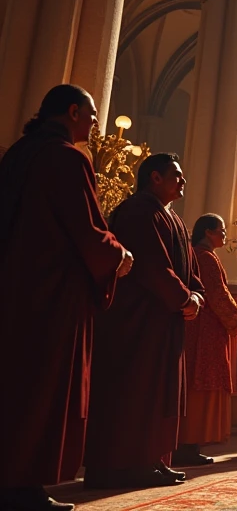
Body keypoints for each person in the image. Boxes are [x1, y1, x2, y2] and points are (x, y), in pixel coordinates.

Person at [0, 85, 132, 511]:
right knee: (43, 389)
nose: (96, 124)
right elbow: (88, 231)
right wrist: (120, 255)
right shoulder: (68, 157)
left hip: (15, 286)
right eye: (92, 115)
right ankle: (25, 488)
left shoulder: (17, 153)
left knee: (14, 385)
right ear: (72, 112)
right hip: (52, 295)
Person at [85, 153, 204, 489]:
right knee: (135, 390)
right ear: (154, 177)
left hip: (167, 318)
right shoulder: (138, 211)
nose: (183, 182)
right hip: (138, 321)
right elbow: (151, 266)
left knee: (161, 393)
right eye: (177, 175)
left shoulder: (176, 220)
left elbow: (192, 271)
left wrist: (196, 296)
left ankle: (153, 458)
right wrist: (184, 298)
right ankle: (122, 465)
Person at [175, 214, 237, 466]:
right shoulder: (205, 257)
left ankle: (187, 442)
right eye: (222, 230)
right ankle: (188, 443)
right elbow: (218, 295)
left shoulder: (198, 253)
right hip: (205, 331)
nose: (225, 235)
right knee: (200, 381)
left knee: (195, 382)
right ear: (208, 232)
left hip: (199, 327)